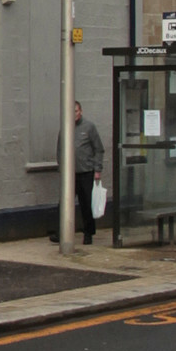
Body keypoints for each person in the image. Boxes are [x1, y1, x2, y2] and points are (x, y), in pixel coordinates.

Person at [72, 99, 104, 246]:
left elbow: (98, 149)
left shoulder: (89, 127)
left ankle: (88, 232)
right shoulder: (66, 127)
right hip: (70, 174)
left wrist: (97, 169)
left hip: (86, 172)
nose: (73, 114)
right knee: (64, 203)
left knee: (86, 204)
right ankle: (61, 233)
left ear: (81, 111)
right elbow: (60, 147)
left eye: (76, 111)